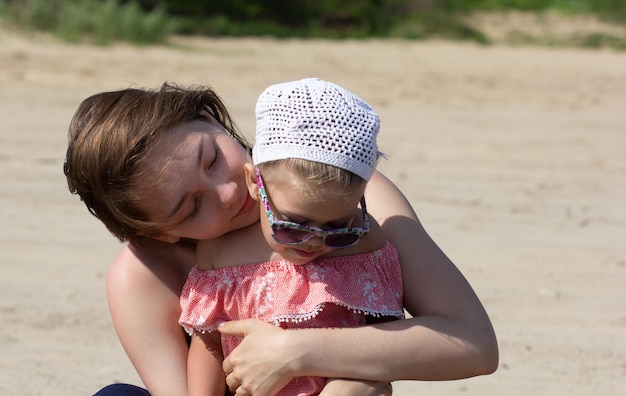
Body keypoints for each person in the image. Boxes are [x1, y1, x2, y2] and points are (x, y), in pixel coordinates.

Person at [64, 81, 498, 396]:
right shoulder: (141, 277)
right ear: (156, 232)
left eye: (212, 159)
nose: (230, 192)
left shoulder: (339, 191)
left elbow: (473, 344)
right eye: (192, 206)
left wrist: (300, 351)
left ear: (211, 118)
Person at [180, 78, 405, 395]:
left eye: (340, 229)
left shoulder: (366, 243)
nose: (315, 241)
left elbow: (388, 340)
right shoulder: (220, 254)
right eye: (293, 226)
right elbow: (209, 343)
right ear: (256, 184)